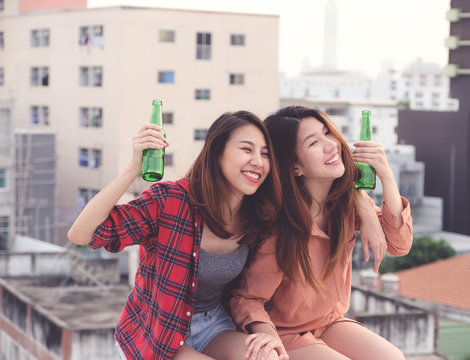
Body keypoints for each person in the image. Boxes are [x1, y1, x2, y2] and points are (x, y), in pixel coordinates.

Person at [68, 111, 288, 360]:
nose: (258, 161)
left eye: (265, 154)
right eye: (247, 149)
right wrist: (134, 168)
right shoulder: (172, 200)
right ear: (216, 153)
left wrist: (267, 336)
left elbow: (249, 294)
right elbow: (81, 234)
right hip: (158, 330)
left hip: (215, 325)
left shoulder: (258, 217)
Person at [230, 106, 413, 360]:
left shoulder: (346, 203)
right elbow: (247, 298)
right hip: (285, 331)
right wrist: (269, 339)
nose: (331, 145)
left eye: (328, 133)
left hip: (329, 322)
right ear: (295, 167)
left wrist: (386, 176)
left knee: (393, 358)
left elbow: (399, 244)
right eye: (314, 142)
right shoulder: (280, 225)